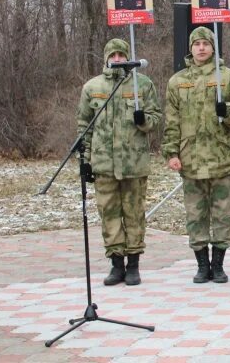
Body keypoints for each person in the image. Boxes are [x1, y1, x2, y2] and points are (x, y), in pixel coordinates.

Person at [162, 26, 230, 283]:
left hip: (222, 157)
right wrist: (171, 152)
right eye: (196, 44)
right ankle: (202, 265)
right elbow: (172, 120)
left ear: (213, 47)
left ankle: (219, 264)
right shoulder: (177, 81)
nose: (201, 48)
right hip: (191, 159)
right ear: (190, 48)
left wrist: (229, 110)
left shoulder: (228, 78)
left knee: (223, 213)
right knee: (196, 214)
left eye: (206, 43)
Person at [76, 38, 162, 286]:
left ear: (127, 58)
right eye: (112, 55)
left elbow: (155, 119)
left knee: (134, 214)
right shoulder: (93, 87)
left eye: (120, 55)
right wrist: (85, 160)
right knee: (109, 214)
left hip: (133, 163)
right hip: (104, 164)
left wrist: (142, 119)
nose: (116, 59)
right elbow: (84, 125)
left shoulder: (142, 85)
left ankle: (133, 264)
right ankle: (116, 263)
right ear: (106, 58)